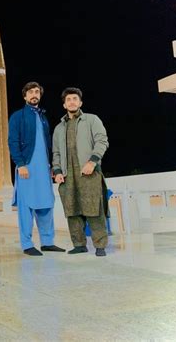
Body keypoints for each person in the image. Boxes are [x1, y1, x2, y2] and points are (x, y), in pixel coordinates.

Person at [8, 81, 65, 256]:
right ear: (25, 96)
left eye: (37, 92)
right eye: (31, 92)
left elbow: (47, 144)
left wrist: (51, 167)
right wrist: (21, 164)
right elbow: (13, 142)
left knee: (46, 204)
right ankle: (27, 244)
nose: (34, 95)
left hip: (43, 168)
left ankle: (47, 242)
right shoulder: (18, 116)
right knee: (27, 206)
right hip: (27, 167)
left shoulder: (43, 117)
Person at [52, 87, 110, 257]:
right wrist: (57, 171)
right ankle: (79, 244)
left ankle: (100, 245)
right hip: (68, 175)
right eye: (68, 99)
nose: (72, 102)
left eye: (75, 99)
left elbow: (102, 141)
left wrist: (93, 161)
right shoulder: (58, 129)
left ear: (80, 102)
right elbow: (55, 153)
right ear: (64, 104)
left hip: (89, 172)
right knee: (72, 210)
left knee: (94, 209)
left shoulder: (92, 120)